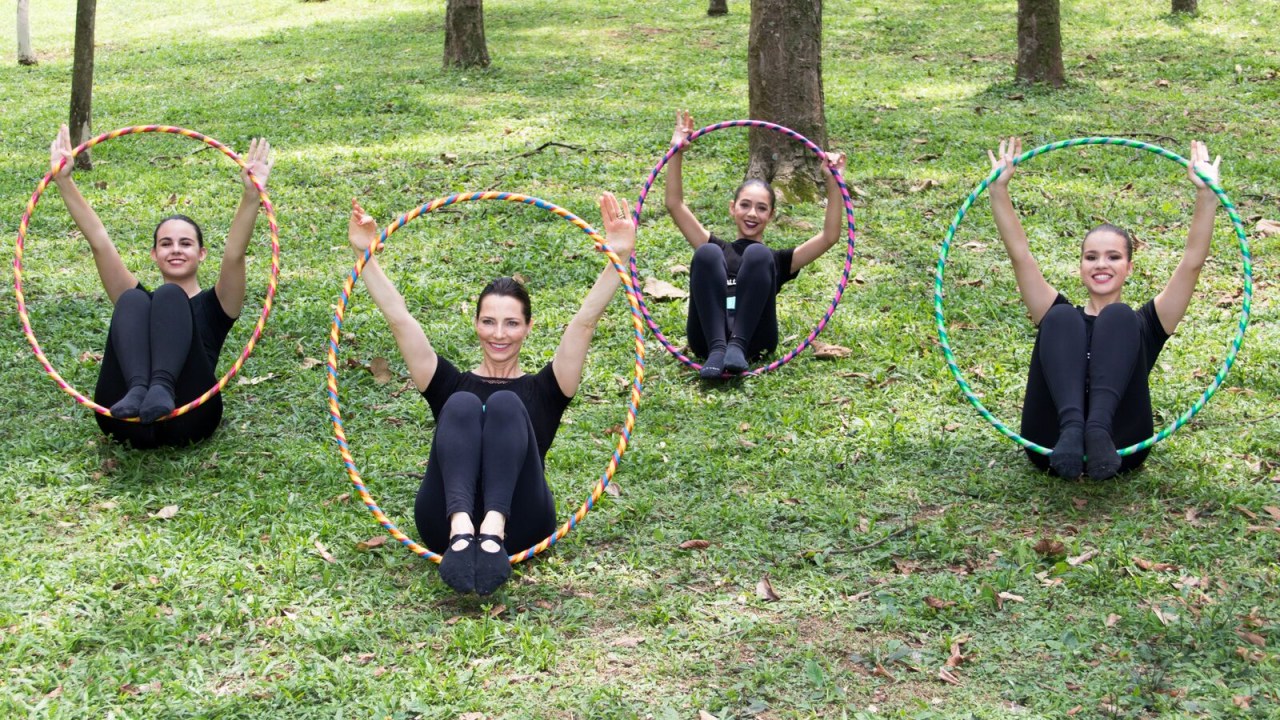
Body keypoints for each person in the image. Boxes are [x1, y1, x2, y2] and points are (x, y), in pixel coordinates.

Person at [346, 193, 636, 595]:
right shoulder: (447, 383)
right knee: (463, 403)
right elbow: (400, 320)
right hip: (444, 526)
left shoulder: (548, 389)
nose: (499, 334)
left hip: (522, 523)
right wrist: (367, 256)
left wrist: (617, 257)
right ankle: (464, 529)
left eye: (511, 323)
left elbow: (584, 324)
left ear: (528, 328)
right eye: (489, 321)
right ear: (476, 324)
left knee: (503, 404)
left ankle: (493, 529)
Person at [987, 137, 1220, 479]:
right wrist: (997, 191)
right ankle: (1072, 429)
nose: (1101, 264)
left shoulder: (1147, 324)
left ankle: (1098, 430)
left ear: (1129, 267)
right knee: (1063, 317)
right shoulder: (1056, 318)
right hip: (1050, 445)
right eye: (1091, 256)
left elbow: (1191, 263)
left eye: (1114, 257)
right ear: (1080, 266)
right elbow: (1020, 254)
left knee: (1119, 316)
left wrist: (1207, 195)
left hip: (1120, 446)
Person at [48, 125, 272, 448]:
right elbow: (100, 242)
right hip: (128, 418)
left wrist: (252, 196)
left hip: (190, 415)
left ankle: (162, 387)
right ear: (154, 255)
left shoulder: (218, 305)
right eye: (166, 244)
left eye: (185, 243)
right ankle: (140, 388)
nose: (176, 249)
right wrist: (64, 181)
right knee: (134, 300)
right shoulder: (137, 307)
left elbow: (235, 254)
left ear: (201, 253)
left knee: (168, 296)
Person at [663, 110, 848, 379]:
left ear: (771, 215)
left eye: (761, 208)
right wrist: (676, 151)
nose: (752, 214)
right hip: (705, 342)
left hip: (755, 343)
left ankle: (736, 345)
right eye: (746, 205)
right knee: (706, 253)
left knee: (759, 254)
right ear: (732, 209)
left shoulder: (777, 261)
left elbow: (829, 236)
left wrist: (833, 181)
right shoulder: (716, 250)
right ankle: (718, 348)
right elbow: (674, 204)